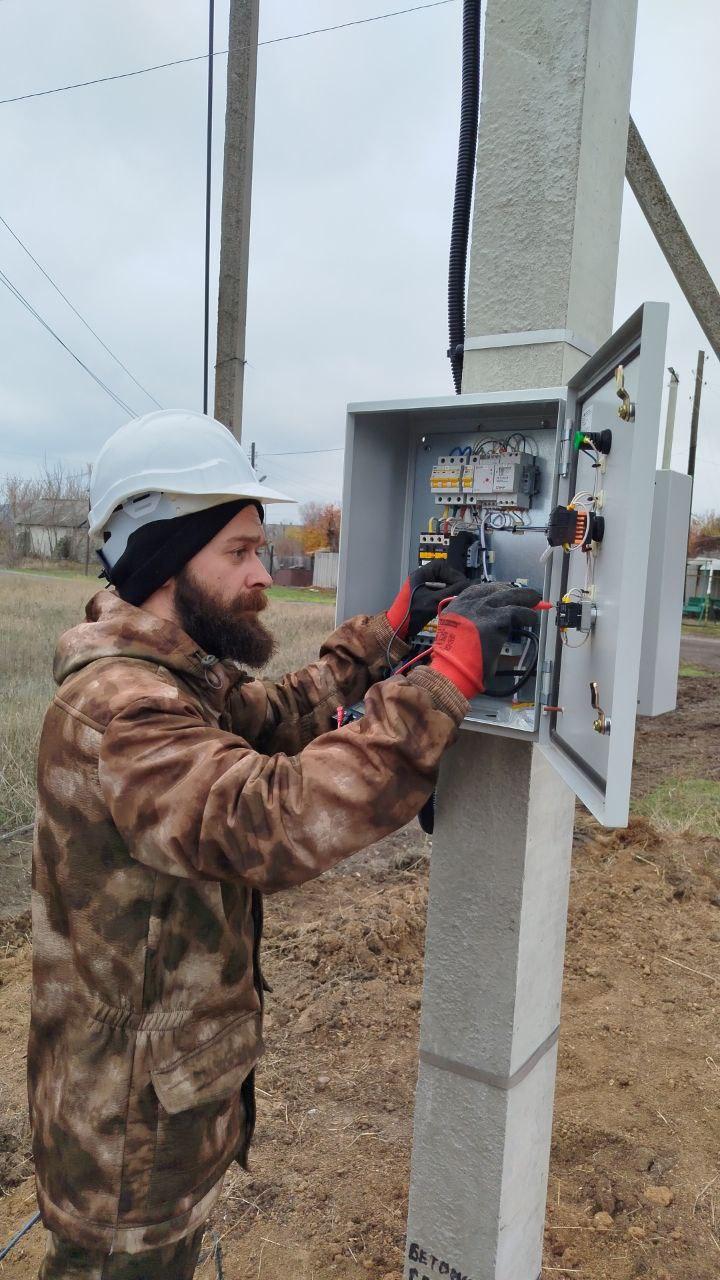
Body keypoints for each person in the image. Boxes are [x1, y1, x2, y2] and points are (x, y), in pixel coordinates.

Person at [28, 411, 540, 1279]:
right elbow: (269, 816)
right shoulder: (124, 710)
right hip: (125, 1152)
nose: (264, 573)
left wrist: (389, 631)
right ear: (159, 557)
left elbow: (268, 720)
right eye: (238, 551)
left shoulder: (169, 679)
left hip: (151, 1118)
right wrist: (441, 683)